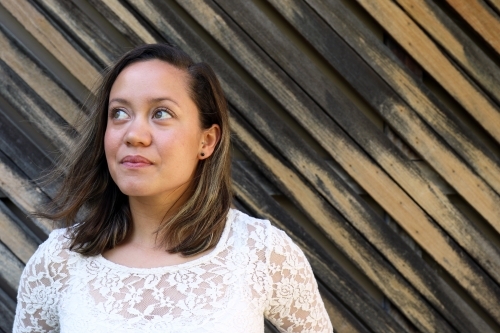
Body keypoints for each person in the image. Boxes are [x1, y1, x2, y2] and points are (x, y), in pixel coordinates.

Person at [13, 44, 333, 332]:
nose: (134, 134)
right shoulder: (58, 261)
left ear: (206, 141)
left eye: (161, 113)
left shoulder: (262, 253)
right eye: (119, 113)